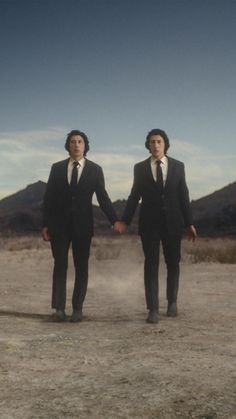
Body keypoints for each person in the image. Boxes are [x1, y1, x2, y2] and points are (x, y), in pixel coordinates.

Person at [115, 128, 197, 324]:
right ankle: (152, 309)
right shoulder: (140, 168)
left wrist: (189, 223)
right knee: (151, 264)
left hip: (173, 223)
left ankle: (172, 302)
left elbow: (183, 196)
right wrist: (124, 220)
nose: (155, 145)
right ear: (148, 145)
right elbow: (135, 195)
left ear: (165, 144)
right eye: (152, 142)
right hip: (149, 224)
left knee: (173, 262)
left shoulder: (178, 166)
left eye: (159, 141)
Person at [42, 129, 119, 322]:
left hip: (83, 227)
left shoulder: (95, 169)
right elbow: (49, 198)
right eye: (73, 141)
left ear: (85, 146)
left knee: (81, 267)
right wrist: (45, 224)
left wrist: (114, 220)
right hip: (58, 226)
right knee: (60, 265)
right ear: (68, 146)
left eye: (80, 142)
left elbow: (103, 197)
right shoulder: (57, 168)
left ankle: (78, 308)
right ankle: (59, 308)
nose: (76, 145)